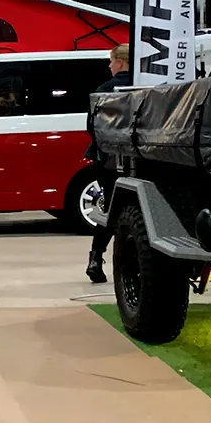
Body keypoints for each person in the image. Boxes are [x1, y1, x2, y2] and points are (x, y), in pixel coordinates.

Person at [86, 43, 133, 283]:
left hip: (109, 161)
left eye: (111, 61)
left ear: (120, 62)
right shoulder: (147, 87)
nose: (109, 65)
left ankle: (96, 258)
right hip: (140, 160)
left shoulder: (103, 90)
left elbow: (92, 126)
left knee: (110, 210)